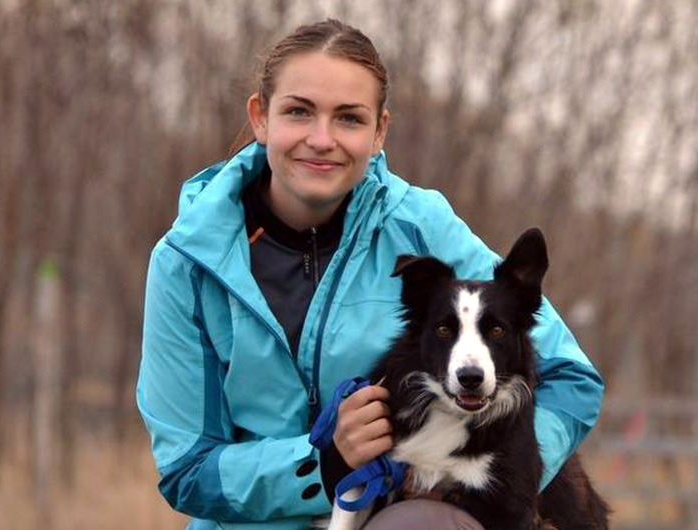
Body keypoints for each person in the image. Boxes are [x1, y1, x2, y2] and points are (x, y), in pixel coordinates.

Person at [137, 19, 604, 530]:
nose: (321, 139)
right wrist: (323, 463)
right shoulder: (187, 261)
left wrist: (495, 474)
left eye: (349, 118)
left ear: (379, 131)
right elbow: (187, 471)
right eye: (298, 111)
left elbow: (571, 378)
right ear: (260, 117)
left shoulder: (421, 226)